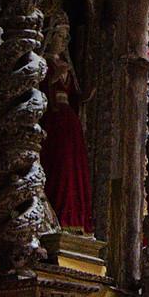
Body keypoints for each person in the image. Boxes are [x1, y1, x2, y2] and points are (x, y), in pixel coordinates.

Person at [43, 15, 93, 231]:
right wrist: (53, 78)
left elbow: (74, 95)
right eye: (60, 36)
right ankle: (57, 217)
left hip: (69, 122)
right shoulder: (44, 62)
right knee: (59, 168)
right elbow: (38, 87)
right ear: (50, 36)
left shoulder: (66, 66)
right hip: (53, 120)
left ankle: (74, 221)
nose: (63, 41)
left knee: (74, 171)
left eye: (66, 37)